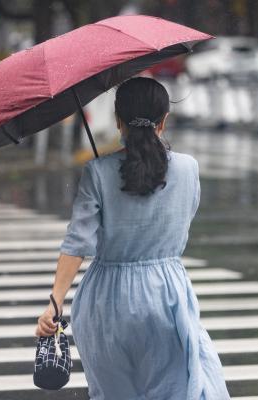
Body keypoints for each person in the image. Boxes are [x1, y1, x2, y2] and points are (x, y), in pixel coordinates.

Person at [35, 77, 231, 400]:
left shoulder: (97, 172)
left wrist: (54, 304)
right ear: (164, 120)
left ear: (118, 122)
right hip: (165, 297)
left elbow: (77, 243)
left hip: (105, 305)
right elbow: (183, 218)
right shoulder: (188, 169)